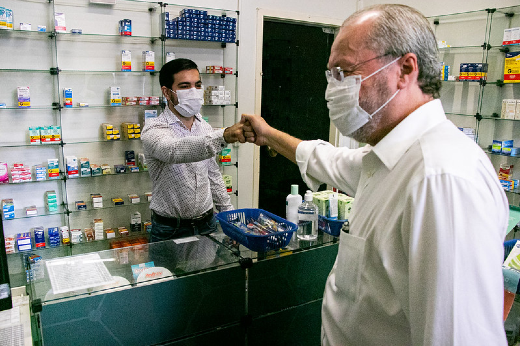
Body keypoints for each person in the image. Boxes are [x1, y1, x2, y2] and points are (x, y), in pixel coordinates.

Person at [243, 4, 508, 345]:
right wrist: (267, 136)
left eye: (344, 72)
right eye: (331, 75)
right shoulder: (388, 159)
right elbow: (329, 160)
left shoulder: (440, 179)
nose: (331, 91)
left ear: (405, 69)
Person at [142, 58, 246, 242]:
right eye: (184, 86)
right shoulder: (154, 129)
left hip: (207, 223)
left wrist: (230, 217)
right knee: (166, 272)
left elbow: (213, 175)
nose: (194, 91)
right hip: (169, 228)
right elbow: (173, 151)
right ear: (166, 92)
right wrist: (224, 135)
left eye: (197, 85)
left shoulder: (204, 127)